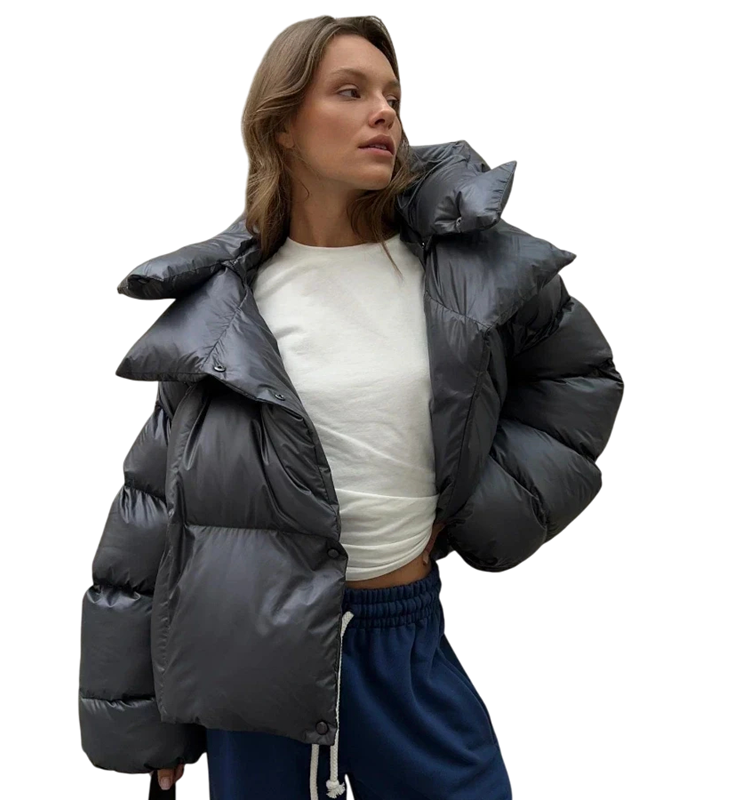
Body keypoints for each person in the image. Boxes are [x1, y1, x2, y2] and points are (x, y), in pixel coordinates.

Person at [78, 15, 625, 800]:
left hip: (402, 634)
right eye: (350, 91)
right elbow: (150, 517)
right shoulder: (224, 311)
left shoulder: (466, 266)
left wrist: (482, 506)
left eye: (392, 96)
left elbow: (579, 380)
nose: (383, 114)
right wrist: (142, 729)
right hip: (249, 661)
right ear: (282, 126)